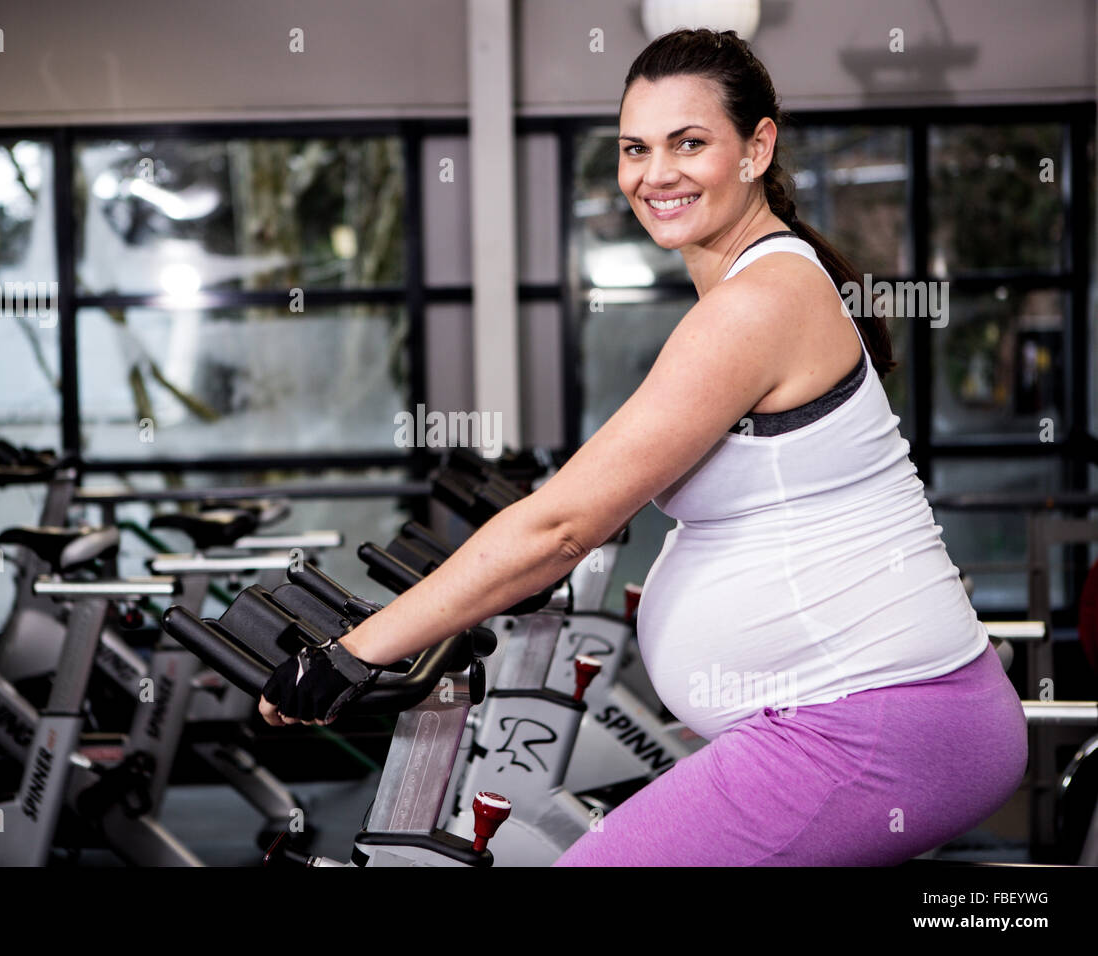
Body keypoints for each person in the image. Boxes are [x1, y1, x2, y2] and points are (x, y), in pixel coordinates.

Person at [257, 27, 1028, 866]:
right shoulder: (756, 289)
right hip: (861, 716)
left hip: (871, 726)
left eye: (689, 143)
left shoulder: (759, 302)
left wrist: (356, 652)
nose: (655, 174)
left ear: (757, 147)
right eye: (635, 148)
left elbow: (561, 528)